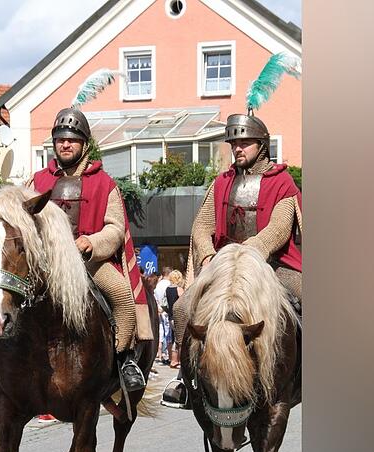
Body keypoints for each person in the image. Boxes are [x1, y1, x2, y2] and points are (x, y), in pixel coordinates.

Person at [27, 107, 153, 392]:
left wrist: (91, 243)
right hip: (45, 263)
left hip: (89, 263)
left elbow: (115, 228)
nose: (66, 144)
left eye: (72, 139)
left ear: (84, 144)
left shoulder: (103, 182)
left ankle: (124, 358)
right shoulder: (37, 181)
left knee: (122, 295)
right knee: (2, 296)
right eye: (60, 139)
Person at [173, 111, 303, 365]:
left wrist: (247, 252)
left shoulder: (282, 183)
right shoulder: (221, 182)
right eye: (234, 144)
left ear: (262, 145)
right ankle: (186, 380)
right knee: (181, 309)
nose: (237, 149)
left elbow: (277, 229)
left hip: (274, 265)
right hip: (223, 265)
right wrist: (209, 254)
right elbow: (202, 225)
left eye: (244, 143)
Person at [165, 270, 184, 368]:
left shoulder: (168, 289)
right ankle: (177, 361)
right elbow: (183, 301)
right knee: (179, 340)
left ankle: (173, 360)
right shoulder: (179, 289)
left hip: (170, 316)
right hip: (178, 317)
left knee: (173, 338)